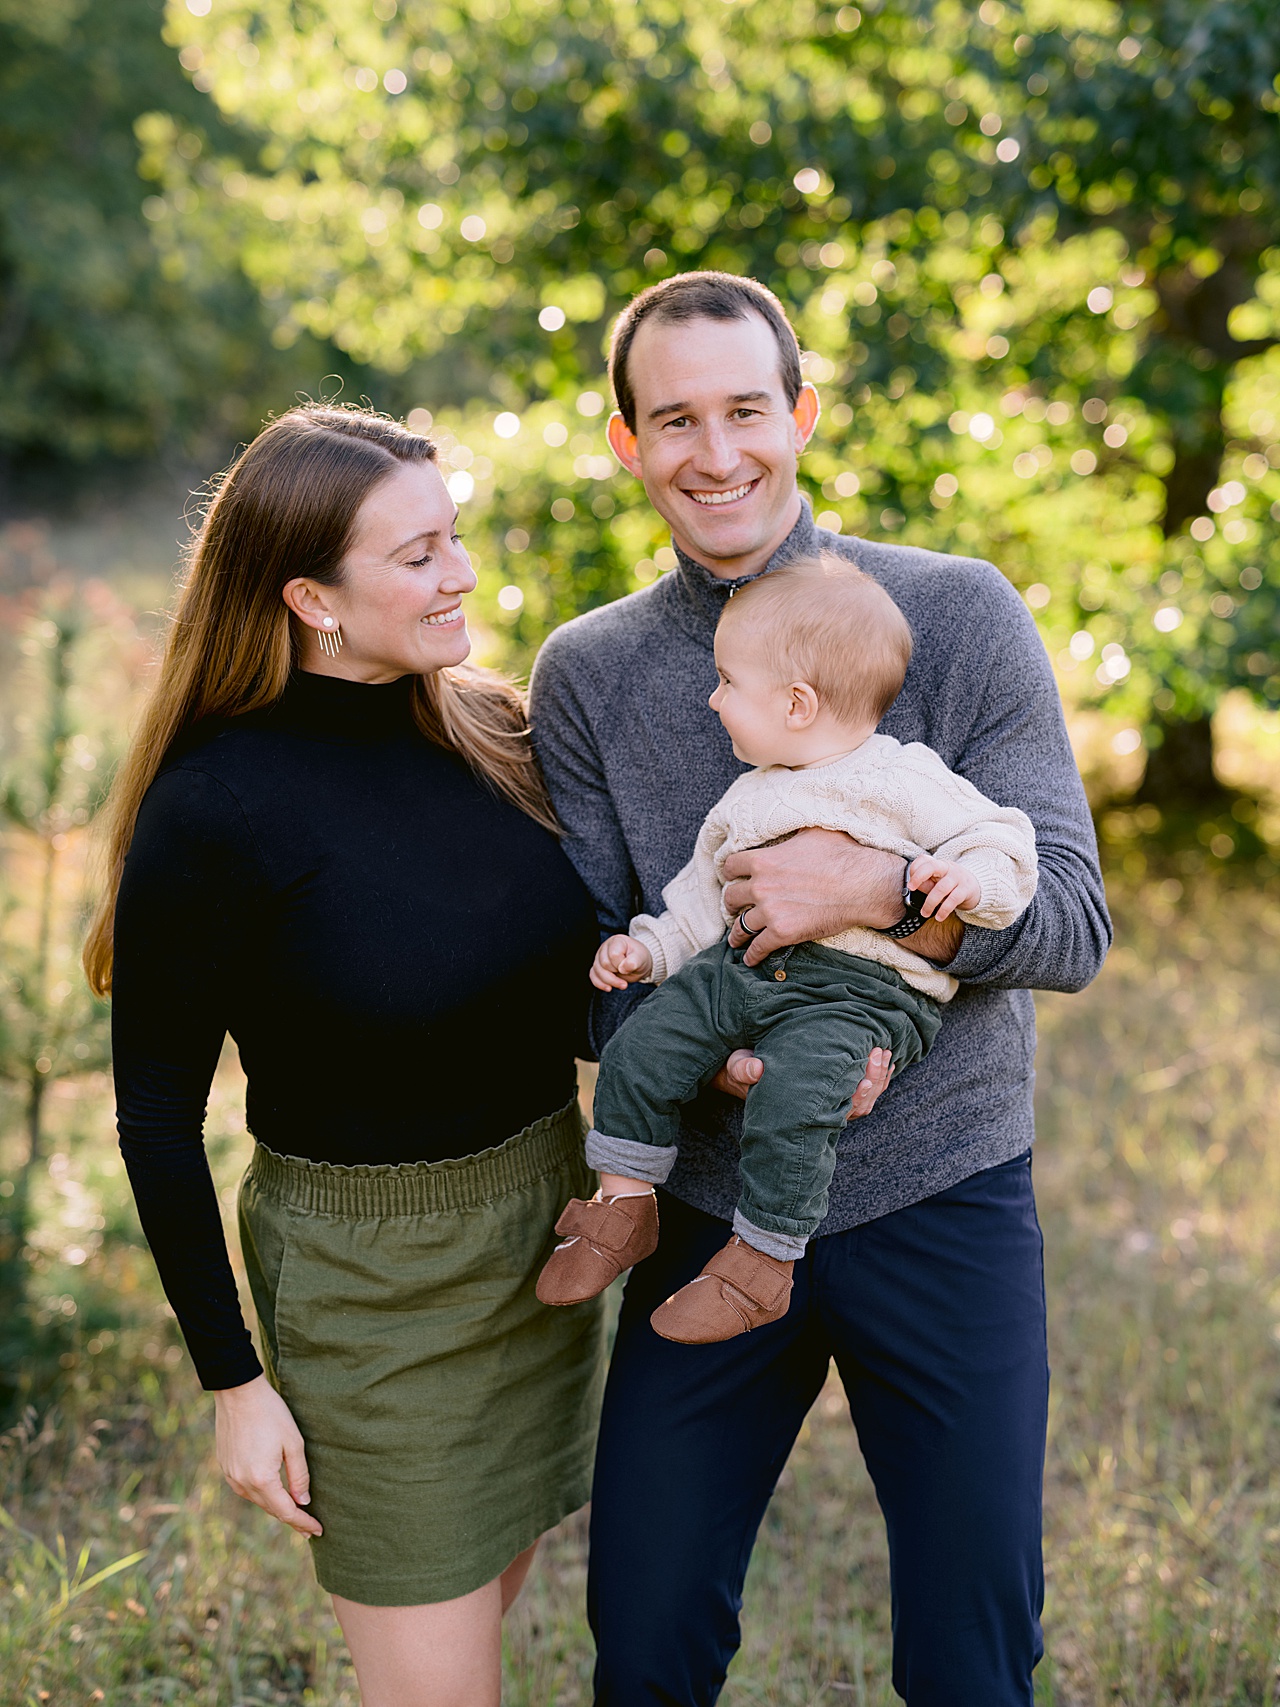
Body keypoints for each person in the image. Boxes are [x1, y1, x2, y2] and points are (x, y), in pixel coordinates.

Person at [528, 272, 1112, 1704]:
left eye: (744, 410)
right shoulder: (589, 672)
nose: (715, 453)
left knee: (973, 1656)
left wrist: (870, 896)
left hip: (946, 1195)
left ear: (800, 414)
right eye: (675, 419)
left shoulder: (956, 615)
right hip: (710, 1206)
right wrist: (724, 1063)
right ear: (626, 443)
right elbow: (593, 965)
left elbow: (1078, 922)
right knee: (648, 1632)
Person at [84, 405, 605, 1707]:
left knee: (477, 1629)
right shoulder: (216, 806)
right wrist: (233, 1379)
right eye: (419, 553)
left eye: (457, 536)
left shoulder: (494, 730)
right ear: (312, 596)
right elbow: (154, 1111)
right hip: (368, 1292)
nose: (464, 572)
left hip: (543, 1247)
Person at [536, 552, 1037, 1345]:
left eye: (729, 682)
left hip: (862, 989)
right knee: (643, 1045)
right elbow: (702, 899)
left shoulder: (902, 778)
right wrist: (649, 951)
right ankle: (623, 1204)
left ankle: (761, 1262)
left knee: (796, 1098)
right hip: (737, 966)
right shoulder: (750, 793)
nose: (713, 698)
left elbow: (1006, 840)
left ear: (798, 702)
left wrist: (961, 878)